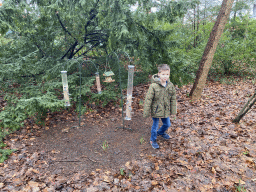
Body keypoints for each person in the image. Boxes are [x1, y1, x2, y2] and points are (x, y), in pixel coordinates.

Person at [143, 64, 177, 149]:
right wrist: (146, 112)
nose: (165, 76)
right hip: (156, 110)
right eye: (163, 74)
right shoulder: (153, 86)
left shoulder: (170, 85)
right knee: (155, 125)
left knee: (167, 124)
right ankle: (153, 140)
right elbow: (148, 99)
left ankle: (161, 132)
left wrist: (173, 110)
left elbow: (173, 98)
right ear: (159, 74)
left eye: (167, 74)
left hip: (165, 109)